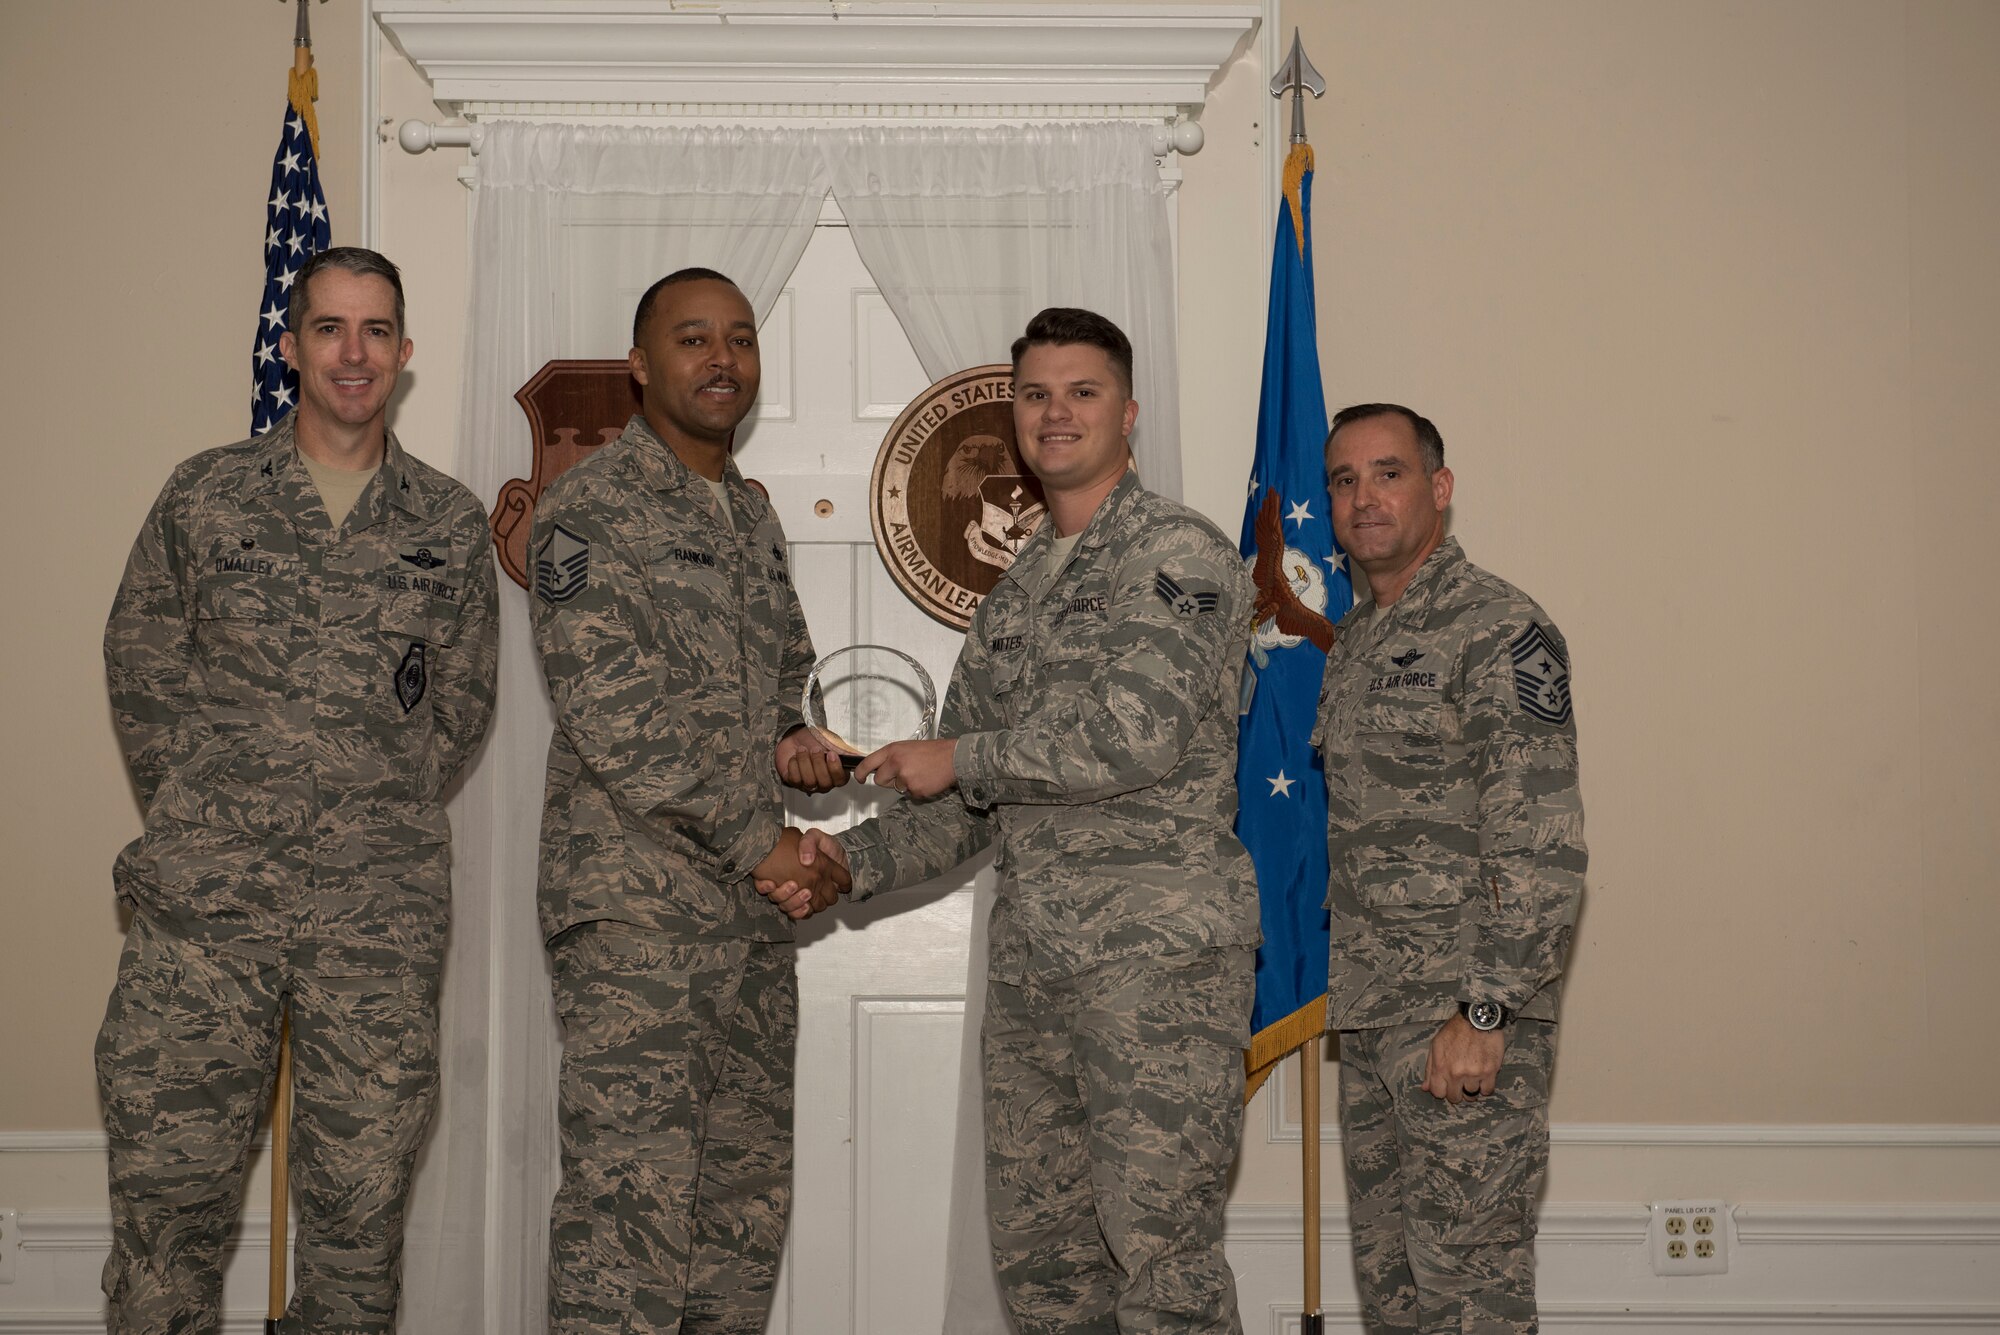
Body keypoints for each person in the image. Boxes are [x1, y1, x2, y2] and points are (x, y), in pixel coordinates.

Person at [765, 308, 1259, 1334]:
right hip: (1037, 973)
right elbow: (964, 802)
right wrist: (842, 866)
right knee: (1045, 1273)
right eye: (1034, 395)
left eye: (1080, 393)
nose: (1055, 414)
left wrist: (962, 757)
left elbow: (1135, 734)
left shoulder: (1176, 553)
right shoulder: (1022, 589)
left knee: (1159, 1266)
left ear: (1126, 413)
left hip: (1151, 968)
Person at [98, 246, 500, 1332]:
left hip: (376, 920)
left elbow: (459, 703)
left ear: (404, 354)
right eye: (328, 328)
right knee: (167, 1212)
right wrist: (206, 810)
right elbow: (140, 661)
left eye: (375, 332)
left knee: (357, 1225)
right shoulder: (208, 493)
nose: (352, 354)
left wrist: (371, 808)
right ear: (292, 346)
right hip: (204, 917)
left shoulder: (448, 524)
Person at [528, 267, 850, 1335]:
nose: (723, 360)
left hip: (748, 928)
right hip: (640, 921)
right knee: (629, 1223)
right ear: (639, 365)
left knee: (735, 1227)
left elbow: (778, 695)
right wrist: (765, 839)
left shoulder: (749, 520)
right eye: (693, 339)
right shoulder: (589, 510)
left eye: (741, 339)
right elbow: (612, 710)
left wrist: (799, 743)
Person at [1312, 404, 1587, 1333]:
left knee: (1471, 1302)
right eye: (1344, 480)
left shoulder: (1497, 628)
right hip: (1376, 1015)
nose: (1363, 498)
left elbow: (1541, 837)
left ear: (1439, 489)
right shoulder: (1353, 645)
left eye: (1387, 473)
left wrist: (1485, 1011)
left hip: (1462, 1025)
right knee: (1397, 1302)